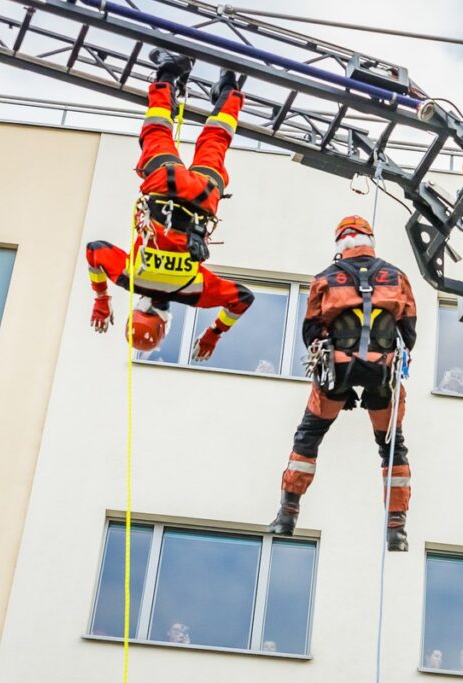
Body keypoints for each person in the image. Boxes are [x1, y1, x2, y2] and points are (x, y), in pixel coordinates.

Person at [86, 50, 254, 360]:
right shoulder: (130, 276)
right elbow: (94, 250)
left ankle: (229, 88)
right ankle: (167, 73)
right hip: (166, 185)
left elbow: (243, 298)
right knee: (156, 129)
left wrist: (214, 333)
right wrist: (101, 298)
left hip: (204, 199)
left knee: (216, 140)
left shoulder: (192, 291)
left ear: (166, 323)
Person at [269, 215, 418, 551]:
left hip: (336, 371)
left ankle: (287, 515)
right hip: (384, 373)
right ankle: (397, 530)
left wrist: (341, 378)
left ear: (340, 244)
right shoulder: (397, 277)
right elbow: (408, 332)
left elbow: (311, 332)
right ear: (370, 239)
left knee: (308, 438)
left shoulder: (325, 278)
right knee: (392, 445)